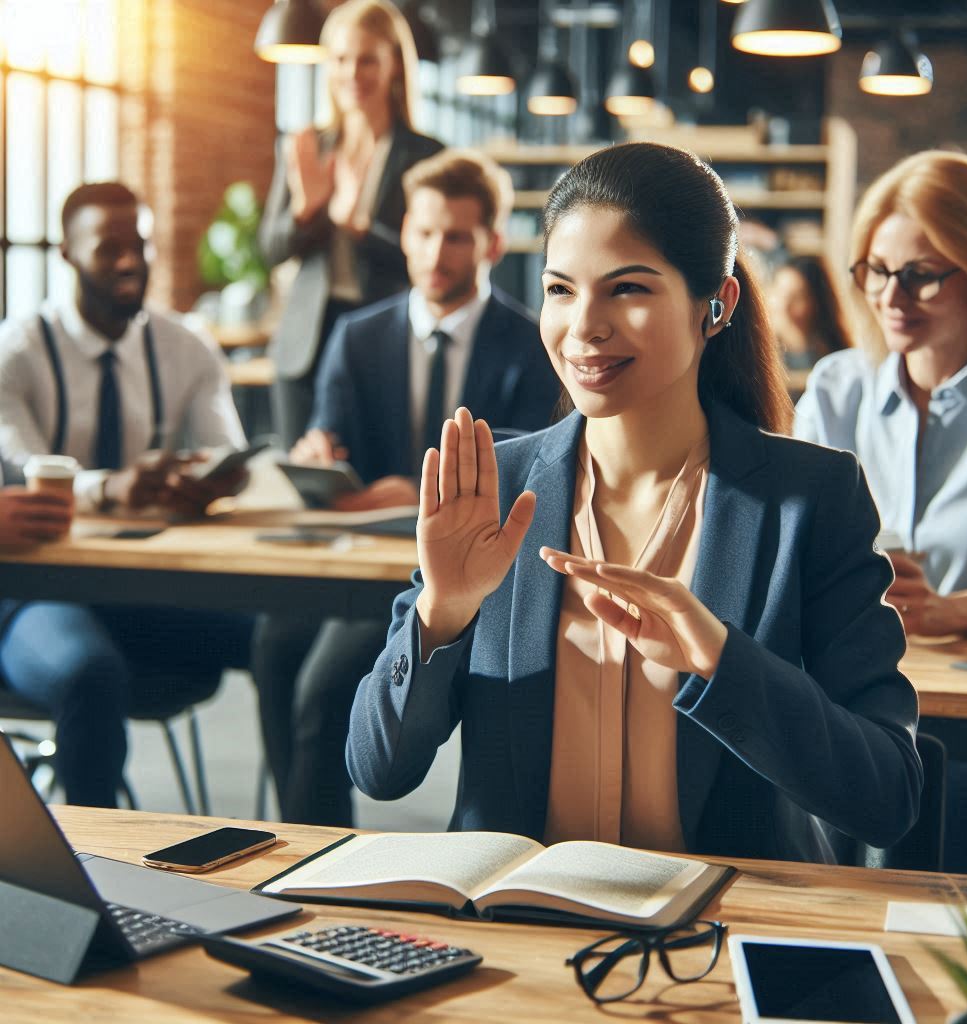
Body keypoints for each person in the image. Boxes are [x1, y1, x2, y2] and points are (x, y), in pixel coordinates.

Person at [345, 142, 923, 864]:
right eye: (560, 289)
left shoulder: (810, 499)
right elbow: (379, 770)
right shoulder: (492, 489)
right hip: (523, 936)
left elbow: (888, 796)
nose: (584, 326)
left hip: (716, 937)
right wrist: (442, 612)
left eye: (628, 289)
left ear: (716, 305)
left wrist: (719, 659)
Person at [252, 148, 561, 826]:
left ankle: (313, 853)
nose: (435, 251)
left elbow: (536, 461)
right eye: (423, 233)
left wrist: (409, 490)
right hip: (362, 555)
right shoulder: (358, 337)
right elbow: (331, 438)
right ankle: (297, 832)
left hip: (466, 571)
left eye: (456, 235)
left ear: (492, 243)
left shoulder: (535, 342)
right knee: (272, 644)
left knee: (321, 689)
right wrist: (317, 450)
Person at [793, 149, 967, 873]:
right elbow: (797, 540)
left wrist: (941, 611)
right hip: (854, 694)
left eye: (921, 274)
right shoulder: (838, 387)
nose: (892, 296)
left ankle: (906, 977)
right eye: (875, 270)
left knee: (938, 787)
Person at [0, 182, 253, 808]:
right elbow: (23, 463)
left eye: (138, 244)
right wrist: (112, 488)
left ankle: (313, 844)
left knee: (285, 638)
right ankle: (96, 888)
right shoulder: (17, 351)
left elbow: (230, 451)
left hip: (149, 587)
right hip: (37, 592)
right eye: (108, 246)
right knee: (91, 671)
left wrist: (213, 479)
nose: (128, 261)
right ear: (67, 253)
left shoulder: (186, 346)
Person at [260, 0, 444, 448]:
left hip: (382, 337)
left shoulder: (425, 155)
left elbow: (432, 262)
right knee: (305, 478)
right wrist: (307, 209)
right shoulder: (309, 146)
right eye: (341, 59)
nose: (352, 73)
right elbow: (269, 248)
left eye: (367, 59)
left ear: (394, 66)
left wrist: (360, 230)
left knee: (372, 479)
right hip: (306, 340)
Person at [768, 254, 851, 372]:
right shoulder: (758, 350)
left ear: (816, 303)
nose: (784, 306)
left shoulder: (835, 359)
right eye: (780, 294)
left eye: (796, 297)